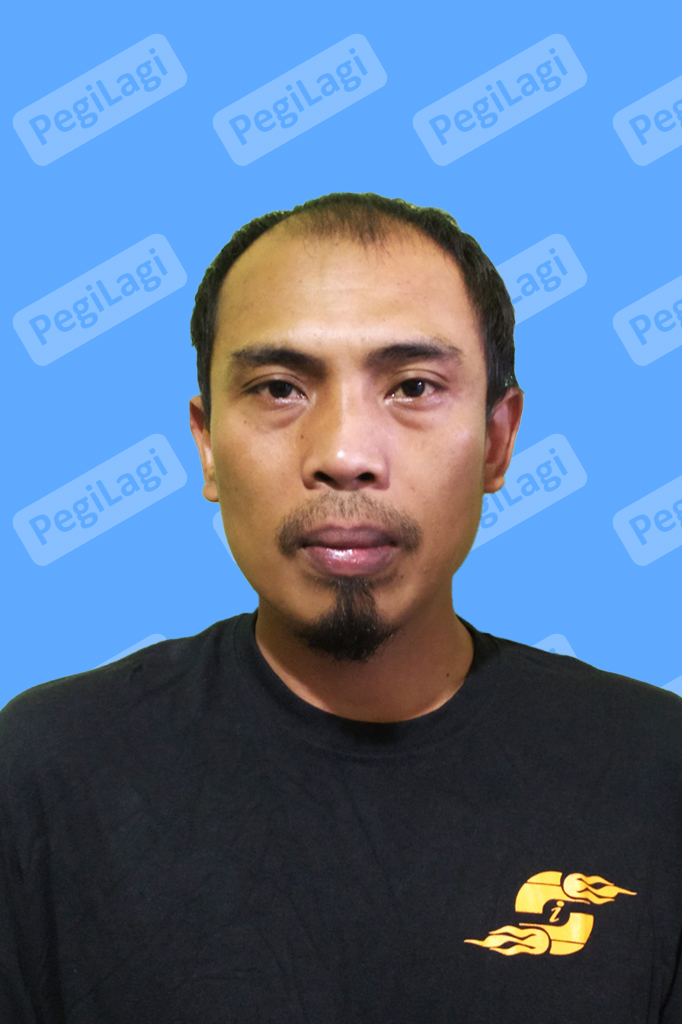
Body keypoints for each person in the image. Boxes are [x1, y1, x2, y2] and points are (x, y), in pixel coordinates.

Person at [1, 192, 680, 1023]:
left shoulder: (656, 772)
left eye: (413, 386)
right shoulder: (44, 776)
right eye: (280, 388)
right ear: (207, 444)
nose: (345, 455)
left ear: (499, 440)